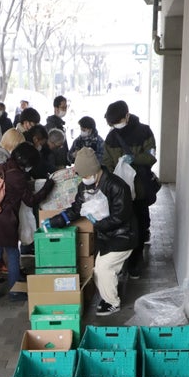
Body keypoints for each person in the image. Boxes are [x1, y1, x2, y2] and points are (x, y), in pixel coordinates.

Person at [43, 149, 136, 317]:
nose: (84, 179)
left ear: (95, 170)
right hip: (106, 236)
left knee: (104, 267)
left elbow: (120, 217)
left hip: (124, 235)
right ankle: (108, 296)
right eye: (82, 176)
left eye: (86, 175)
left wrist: (99, 223)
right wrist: (57, 220)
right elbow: (76, 209)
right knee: (99, 269)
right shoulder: (84, 186)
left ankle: (113, 303)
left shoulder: (117, 186)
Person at [0, 141, 53, 301]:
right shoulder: (18, 176)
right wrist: (48, 186)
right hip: (4, 221)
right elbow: (30, 200)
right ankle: (15, 291)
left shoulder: (4, 166)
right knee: (13, 254)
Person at [102, 100, 157, 278]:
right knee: (124, 226)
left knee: (140, 224)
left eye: (118, 120)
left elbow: (151, 158)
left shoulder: (144, 132)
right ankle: (124, 260)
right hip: (119, 192)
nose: (116, 125)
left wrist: (133, 159)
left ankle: (136, 260)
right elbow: (106, 163)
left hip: (139, 189)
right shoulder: (111, 138)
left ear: (127, 115)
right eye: (113, 123)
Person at [46, 96, 69, 165]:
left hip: (61, 162)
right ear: (56, 109)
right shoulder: (52, 126)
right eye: (63, 107)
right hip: (56, 163)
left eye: (66, 107)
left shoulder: (60, 124)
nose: (65, 110)